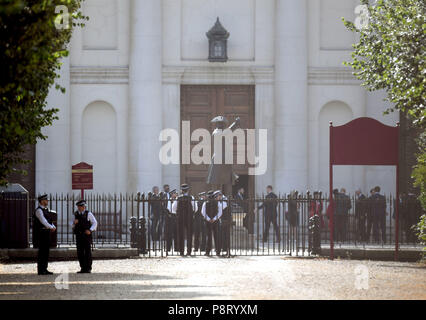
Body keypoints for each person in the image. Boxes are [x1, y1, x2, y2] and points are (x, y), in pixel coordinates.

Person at [33, 194, 56, 275]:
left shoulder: (46, 210)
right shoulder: (39, 210)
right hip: (41, 233)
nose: (47, 201)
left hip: (46, 233)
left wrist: (53, 226)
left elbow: (49, 220)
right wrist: (51, 227)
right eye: (46, 200)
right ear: (42, 201)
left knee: (46, 251)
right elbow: (43, 221)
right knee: (42, 252)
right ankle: (41, 269)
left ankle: (45, 269)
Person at [73, 200, 97, 273]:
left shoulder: (88, 213)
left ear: (84, 207)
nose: (80, 208)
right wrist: (74, 223)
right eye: (79, 207)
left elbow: (95, 223)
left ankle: (88, 268)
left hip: (86, 235)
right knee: (80, 251)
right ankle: (82, 267)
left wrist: (90, 230)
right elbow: (71, 223)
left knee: (87, 251)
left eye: (82, 206)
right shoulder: (75, 214)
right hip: (79, 235)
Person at [173, 184, 198, 256]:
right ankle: (189, 251)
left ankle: (181, 251)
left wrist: (178, 213)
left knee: (181, 234)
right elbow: (195, 208)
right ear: (188, 190)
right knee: (189, 234)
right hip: (189, 218)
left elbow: (173, 209)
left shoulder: (178, 198)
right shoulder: (191, 197)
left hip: (180, 218)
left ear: (181, 190)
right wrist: (191, 213)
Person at [202, 190, 222, 256]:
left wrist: (208, 219)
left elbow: (203, 212)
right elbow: (220, 212)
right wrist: (214, 219)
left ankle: (208, 251)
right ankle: (218, 251)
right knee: (217, 236)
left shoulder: (205, 203)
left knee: (209, 236)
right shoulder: (217, 203)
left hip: (208, 222)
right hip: (215, 221)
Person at [217, 191, 231, 256]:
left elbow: (221, 209)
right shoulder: (222, 200)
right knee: (222, 235)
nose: (217, 198)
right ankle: (223, 248)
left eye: (218, 196)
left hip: (225, 220)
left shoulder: (224, 201)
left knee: (225, 235)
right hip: (223, 220)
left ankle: (225, 248)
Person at [165, 189, 178, 253]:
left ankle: (176, 248)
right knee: (169, 233)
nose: (176, 194)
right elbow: (167, 209)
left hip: (176, 216)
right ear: (172, 194)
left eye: (176, 193)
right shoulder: (169, 200)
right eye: (175, 193)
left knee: (176, 233)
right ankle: (168, 248)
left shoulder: (178, 200)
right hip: (170, 217)